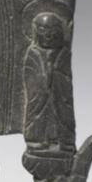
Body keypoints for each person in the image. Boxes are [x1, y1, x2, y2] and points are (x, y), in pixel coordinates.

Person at [23, 11, 76, 157]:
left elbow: (64, 78)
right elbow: (32, 78)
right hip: (39, 97)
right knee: (37, 112)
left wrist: (55, 71)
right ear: (36, 32)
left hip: (59, 96)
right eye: (43, 30)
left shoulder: (63, 53)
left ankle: (64, 143)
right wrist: (45, 75)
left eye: (53, 30)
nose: (48, 35)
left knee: (62, 111)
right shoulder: (33, 53)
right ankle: (36, 141)